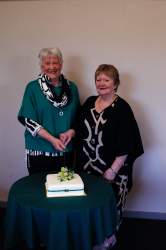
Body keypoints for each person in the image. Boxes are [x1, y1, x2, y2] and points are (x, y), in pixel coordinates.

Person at [75, 64, 144, 250]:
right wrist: (69, 133)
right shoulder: (89, 102)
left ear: (115, 83)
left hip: (114, 169)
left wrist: (113, 170)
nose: (101, 83)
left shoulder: (122, 108)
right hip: (88, 167)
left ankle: (109, 237)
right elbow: (78, 128)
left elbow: (127, 144)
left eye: (106, 79)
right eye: (98, 79)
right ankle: (90, 234)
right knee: (90, 203)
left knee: (110, 205)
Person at [18, 47, 80, 175]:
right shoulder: (32, 88)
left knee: (64, 190)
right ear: (41, 66)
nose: (51, 67)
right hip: (39, 150)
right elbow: (28, 121)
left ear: (61, 64)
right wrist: (52, 139)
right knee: (40, 190)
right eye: (47, 63)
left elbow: (79, 118)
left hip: (65, 150)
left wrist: (71, 132)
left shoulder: (72, 88)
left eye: (55, 63)